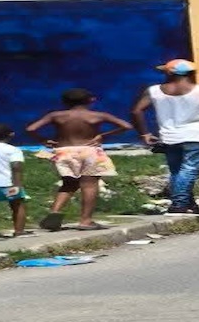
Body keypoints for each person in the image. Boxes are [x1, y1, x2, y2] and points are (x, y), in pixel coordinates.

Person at [130, 59, 199, 215]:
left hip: (169, 138)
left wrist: (144, 133)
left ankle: (189, 205)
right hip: (197, 137)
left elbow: (136, 111)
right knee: (189, 171)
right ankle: (179, 204)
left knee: (177, 172)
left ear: (169, 73)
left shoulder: (153, 91)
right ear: (191, 73)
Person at [26, 88, 133, 231]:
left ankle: (55, 211)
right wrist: (103, 135)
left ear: (65, 102)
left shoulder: (55, 115)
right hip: (89, 150)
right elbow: (126, 126)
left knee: (68, 184)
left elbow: (31, 129)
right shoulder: (98, 115)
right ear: (91, 100)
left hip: (64, 151)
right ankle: (85, 220)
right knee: (89, 185)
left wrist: (43, 140)